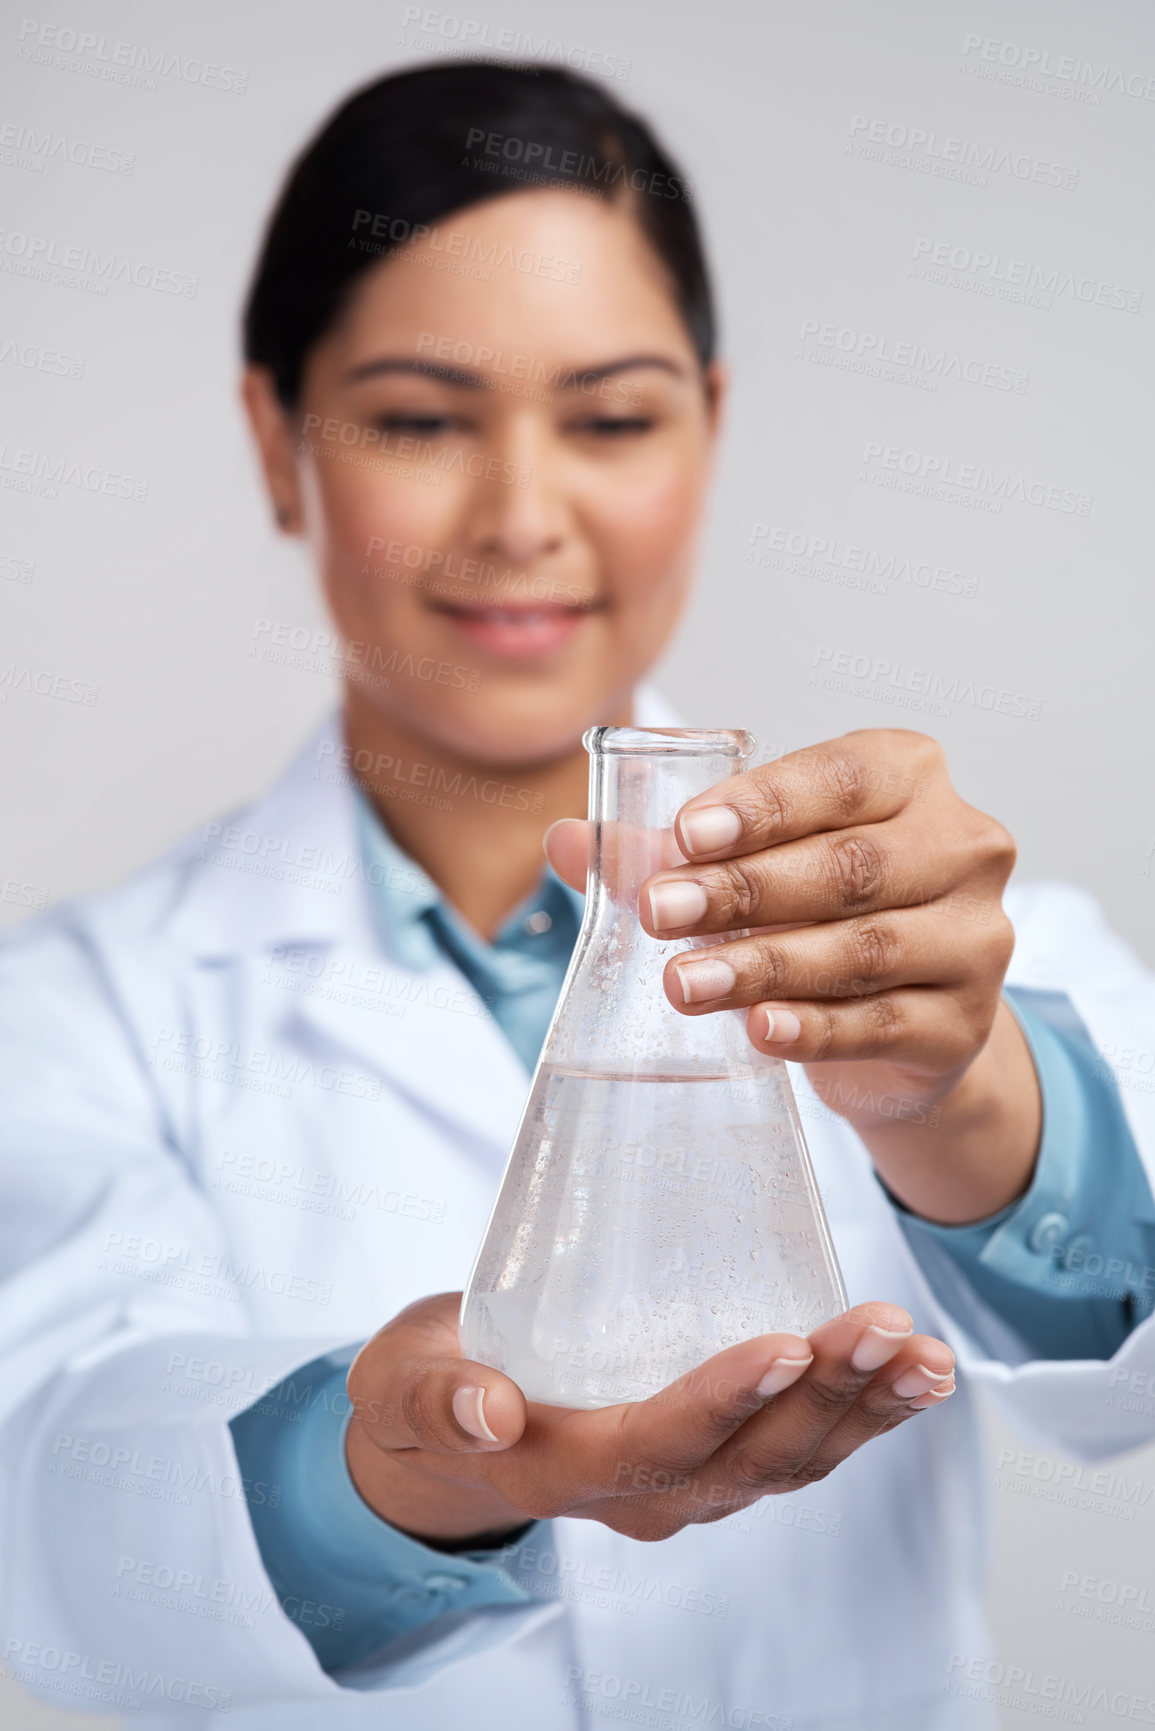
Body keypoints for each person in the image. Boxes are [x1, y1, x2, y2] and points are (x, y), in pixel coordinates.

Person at [1, 60, 1153, 1731]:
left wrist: (963, 1101)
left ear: (709, 422)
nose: (526, 516)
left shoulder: (934, 924)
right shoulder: (75, 1016)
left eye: (611, 418)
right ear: (277, 442)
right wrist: (396, 1460)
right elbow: (62, 1534)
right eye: (417, 418)